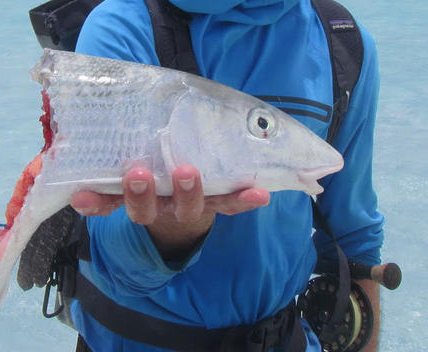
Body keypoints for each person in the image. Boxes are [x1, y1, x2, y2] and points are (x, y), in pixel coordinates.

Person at [23, 0, 385, 351]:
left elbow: (353, 237)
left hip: (286, 337)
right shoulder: (122, 24)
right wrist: (170, 233)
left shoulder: (343, 42)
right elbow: (114, 267)